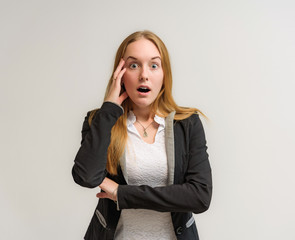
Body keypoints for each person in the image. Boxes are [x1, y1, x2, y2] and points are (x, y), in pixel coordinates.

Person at [72, 30, 212, 240]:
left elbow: (200, 196)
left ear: (164, 74)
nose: (144, 75)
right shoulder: (100, 121)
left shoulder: (188, 124)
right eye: (134, 65)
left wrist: (122, 194)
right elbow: (86, 176)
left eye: (153, 65)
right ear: (119, 74)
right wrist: (109, 109)